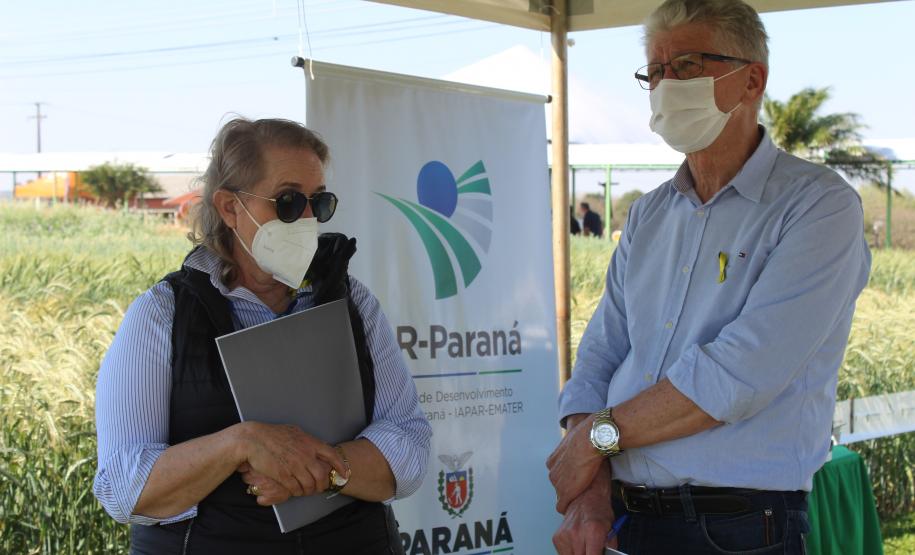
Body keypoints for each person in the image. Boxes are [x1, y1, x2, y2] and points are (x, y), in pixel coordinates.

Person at [546, 1, 871, 554]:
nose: (666, 85)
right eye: (655, 70)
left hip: (736, 527)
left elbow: (737, 376)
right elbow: (600, 356)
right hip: (623, 519)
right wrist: (592, 493)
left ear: (752, 80)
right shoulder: (649, 215)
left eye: (689, 65)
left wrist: (595, 440)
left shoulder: (817, 205)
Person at [93, 118, 432, 554]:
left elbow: (409, 440)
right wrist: (240, 443)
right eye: (289, 201)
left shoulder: (353, 303)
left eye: (319, 202)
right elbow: (123, 486)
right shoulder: (163, 315)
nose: (307, 219)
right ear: (230, 208)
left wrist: (327, 469)